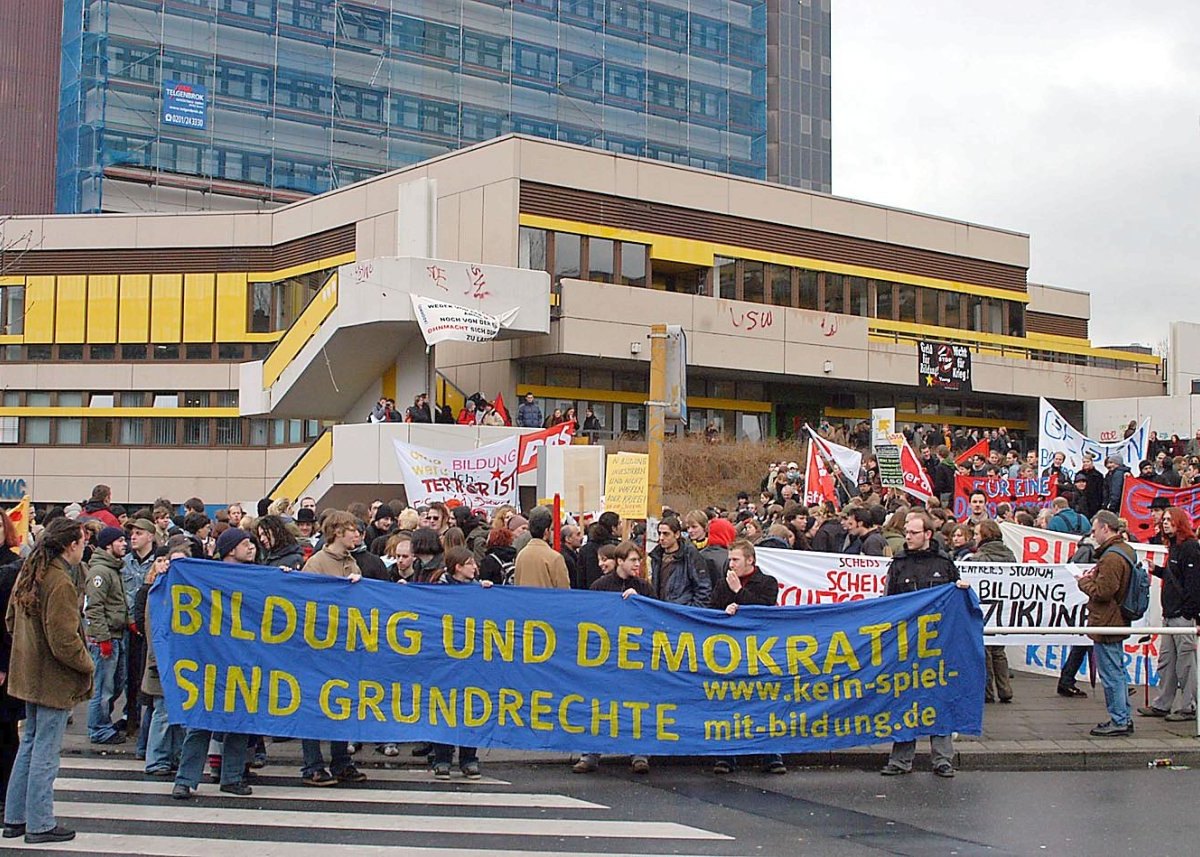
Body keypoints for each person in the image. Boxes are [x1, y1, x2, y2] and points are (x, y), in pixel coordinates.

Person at [4, 518, 94, 844]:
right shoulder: (59, 582)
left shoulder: (30, 574)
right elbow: (65, 641)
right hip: (52, 678)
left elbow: (11, 621)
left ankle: (15, 817)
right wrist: (88, 664)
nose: (84, 547)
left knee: (28, 743)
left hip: (27, 672)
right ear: (71, 545)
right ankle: (40, 823)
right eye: (82, 542)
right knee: (45, 750)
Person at [879, 512, 969, 778]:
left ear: (927, 535)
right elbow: (888, 604)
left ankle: (942, 759)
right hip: (907, 644)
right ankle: (900, 759)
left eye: (913, 532)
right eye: (906, 531)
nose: (907, 536)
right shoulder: (898, 564)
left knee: (939, 699)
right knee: (906, 700)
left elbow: (955, 599)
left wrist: (962, 590)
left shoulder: (944, 563)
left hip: (937, 645)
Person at [172, 528, 259, 800]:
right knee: (201, 721)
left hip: (244, 658)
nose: (252, 548)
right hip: (212, 658)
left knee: (239, 720)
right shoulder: (208, 575)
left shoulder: (258, 575)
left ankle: (231, 777)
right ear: (231, 549)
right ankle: (185, 779)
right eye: (246, 544)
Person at [574, 542, 653, 775]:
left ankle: (639, 753)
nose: (637, 565)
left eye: (639, 560)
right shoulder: (600, 586)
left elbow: (656, 618)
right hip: (606, 657)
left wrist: (641, 602)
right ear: (620, 561)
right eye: (633, 561)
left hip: (635, 657)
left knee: (636, 705)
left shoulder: (644, 587)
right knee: (600, 704)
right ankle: (591, 753)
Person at [710, 540, 786, 776]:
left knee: (763, 703)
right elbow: (711, 612)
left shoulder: (767, 583)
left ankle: (771, 754)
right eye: (729, 560)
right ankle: (726, 755)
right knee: (730, 702)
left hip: (760, 652)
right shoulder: (723, 584)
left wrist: (739, 594)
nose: (730, 565)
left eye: (735, 560)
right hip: (731, 654)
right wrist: (726, 611)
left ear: (750, 560)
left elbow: (764, 609)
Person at [430, 547, 493, 779]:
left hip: (471, 660)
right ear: (458, 567)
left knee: (471, 708)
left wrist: (488, 593)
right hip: (444, 658)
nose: (475, 567)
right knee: (443, 708)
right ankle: (442, 759)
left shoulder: (477, 590)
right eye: (470, 564)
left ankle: (469, 758)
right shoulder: (438, 590)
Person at [1137, 507, 1200, 722]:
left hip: (1181, 615)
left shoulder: (1190, 548)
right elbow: (1179, 578)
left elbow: (1193, 584)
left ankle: (1189, 706)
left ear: (1179, 522)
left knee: (1186, 663)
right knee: (1167, 661)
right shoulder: (1174, 547)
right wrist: (1157, 570)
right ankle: (1163, 703)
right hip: (1171, 613)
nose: (1164, 523)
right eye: (1163, 520)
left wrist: (1189, 613)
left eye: (1169, 520)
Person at [1077, 510, 1134, 737]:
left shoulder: (1111, 557)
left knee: (1111, 674)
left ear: (1105, 528)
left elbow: (1103, 592)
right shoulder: (1124, 550)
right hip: (1116, 618)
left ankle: (1119, 719)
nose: (1093, 535)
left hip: (1108, 620)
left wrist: (1084, 583)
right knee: (1117, 671)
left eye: (1095, 530)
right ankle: (1123, 717)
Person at [84, 527, 130, 745]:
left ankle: (104, 723)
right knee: (103, 687)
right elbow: (94, 608)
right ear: (108, 544)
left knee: (115, 685)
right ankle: (98, 728)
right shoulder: (101, 572)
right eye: (120, 540)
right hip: (105, 637)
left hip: (116, 634)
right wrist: (102, 638)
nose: (125, 544)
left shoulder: (113, 569)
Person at [648, 517, 711, 608]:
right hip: (661, 610)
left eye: (666, 534)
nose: (661, 538)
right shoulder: (656, 556)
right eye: (659, 533)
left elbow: (703, 589)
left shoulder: (690, 555)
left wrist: (691, 612)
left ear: (677, 534)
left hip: (682, 612)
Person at [513, 507, 570, 589]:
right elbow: (564, 591)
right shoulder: (555, 558)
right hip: (547, 601)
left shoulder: (521, 555)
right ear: (546, 531)